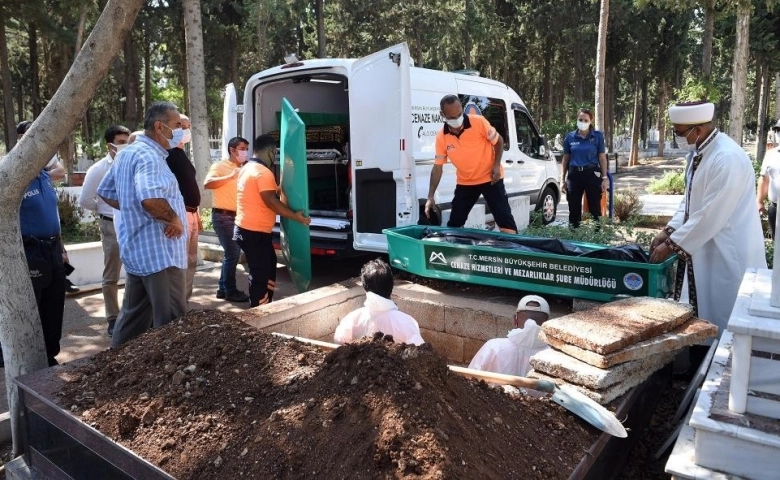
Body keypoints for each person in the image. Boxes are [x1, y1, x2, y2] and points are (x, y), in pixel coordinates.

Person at [649, 101, 766, 333]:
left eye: (679, 133)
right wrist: (668, 231)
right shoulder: (698, 153)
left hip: (728, 253)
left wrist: (671, 246)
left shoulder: (726, 157)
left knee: (725, 315)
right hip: (706, 248)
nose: (677, 138)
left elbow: (710, 214)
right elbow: (691, 200)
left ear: (699, 129)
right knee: (704, 310)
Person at [97, 101, 188, 347]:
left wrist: (132, 209)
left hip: (138, 249)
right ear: (160, 127)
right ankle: (174, 374)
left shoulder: (127, 152)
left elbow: (106, 192)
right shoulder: (149, 157)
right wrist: (174, 220)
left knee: (133, 319)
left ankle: (113, 367)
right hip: (160, 252)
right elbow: (150, 199)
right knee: (172, 322)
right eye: (177, 125)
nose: (180, 131)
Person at [11, 121, 68, 366]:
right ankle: (27, 360)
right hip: (30, 251)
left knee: (54, 303)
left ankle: (49, 356)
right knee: (31, 307)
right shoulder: (13, 177)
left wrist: (62, 248)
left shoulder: (44, 175)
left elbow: (52, 215)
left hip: (53, 249)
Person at [234, 134, 310, 307]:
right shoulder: (262, 172)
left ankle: (265, 303)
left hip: (247, 229)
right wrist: (295, 216)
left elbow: (261, 195)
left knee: (267, 266)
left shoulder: (247, 168)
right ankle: (258, 311)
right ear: (270, 152)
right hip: (254, 232)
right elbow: (271, 202)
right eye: (275, 153)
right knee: (261, 273)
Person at [425, 94, 518, 234]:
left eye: (459, 114)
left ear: (462, 109)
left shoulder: (479, 122)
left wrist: (496, 165)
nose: (457, 120)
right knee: (454, 224)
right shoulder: (441, 137)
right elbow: (437, 167)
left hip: (490, 178)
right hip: (466, 182)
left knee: (505, 221)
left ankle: (514, 251)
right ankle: (455, 252)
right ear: (442, 115)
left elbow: (498, 141)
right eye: (451, 117)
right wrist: (430, 196)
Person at [78, 125, 131, 336]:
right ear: (110, 145)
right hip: (110, 224)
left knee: (137, 269)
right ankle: (112, 317)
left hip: (131, 221)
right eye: (120, 142)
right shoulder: (98, 169)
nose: (125, 145)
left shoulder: (130, 162)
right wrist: (105, 209)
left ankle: (134, 313)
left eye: (127, 141)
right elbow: (85, 200)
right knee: (112, 273)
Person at [333, 259, 425, 345]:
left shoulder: (352, 319)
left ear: (365, 288)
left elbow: (338, 341)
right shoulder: (407, 323)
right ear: (391, 287)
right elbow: (420, 351)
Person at [204, 136, 250, 302]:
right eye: (242, 148)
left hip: (238, 216)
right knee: (232, 253)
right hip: (223, 216)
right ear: (232, 150)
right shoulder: (220, 166)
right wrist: (230, 176)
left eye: (246, 149)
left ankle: (222, 289)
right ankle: (230, 291)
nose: (245, 152)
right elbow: (207, 183)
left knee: (230, 254)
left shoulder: (246, 167)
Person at [165, 114, 201, 299]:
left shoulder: (181, 153)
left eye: (188, 127)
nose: (185, 131)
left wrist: (197, 214)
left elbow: (189, 186)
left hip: (191, 214)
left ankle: (184, 303)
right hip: (180, 216)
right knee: (179, 262)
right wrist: (173, 218)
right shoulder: (166, 155)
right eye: (180, 126)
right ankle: (176, 305)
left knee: (191, 261)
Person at [467, 295, 549, 376]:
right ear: (547, 325)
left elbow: (469, 377)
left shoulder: (494, 347)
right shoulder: (553, 356)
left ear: (514, 320)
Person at [560, 108, 608, 228]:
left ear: (590, 121)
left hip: (591, 174)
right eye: (580, 119)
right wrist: (562, 180)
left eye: (585, 120)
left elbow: (602, 158)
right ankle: (574, 235)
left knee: (594, 208)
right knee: (573, 209)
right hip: (574, 176)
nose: (582, 122)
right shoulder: (570, 137)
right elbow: (565, 159)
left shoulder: (597, 136)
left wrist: (605, 178)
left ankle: (597, 237)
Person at [757, 119, 780, 238]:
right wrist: (760, 201)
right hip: (775, 210)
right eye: (778, 130)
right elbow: (764, 178)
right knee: (777, 248)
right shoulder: (771, 155)